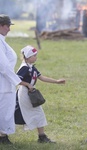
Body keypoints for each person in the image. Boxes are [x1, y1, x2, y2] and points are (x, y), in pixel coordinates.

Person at [16, 45, 65, 143]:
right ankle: (41, 137)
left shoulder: (31, 67)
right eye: (34, 55)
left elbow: (42, 77)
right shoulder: (24, 67)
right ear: (28, 57)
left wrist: (56, 81)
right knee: (36, 113)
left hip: (29, 93)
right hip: (24, 93)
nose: (36, 57)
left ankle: (42, 136)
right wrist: (27, 84)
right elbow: (16, 79)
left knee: (38, 113)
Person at [0, 14, 33, 144]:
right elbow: (3, 66)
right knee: (4, 110)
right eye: (8, 26)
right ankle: (3, 137)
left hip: (6, 82)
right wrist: (17, 81)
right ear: (1, 26)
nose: (9, 29)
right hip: (3, 84)